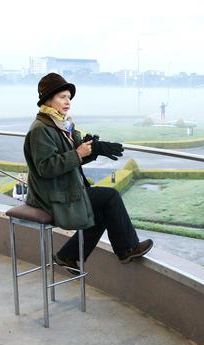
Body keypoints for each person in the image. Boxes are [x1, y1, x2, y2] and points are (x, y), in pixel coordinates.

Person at [24, 73, 153, 274]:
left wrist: (97, 148)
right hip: (49, 195)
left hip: (62, 188)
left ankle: (68, 256)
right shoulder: (41, 129)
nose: (67, 102)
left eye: (68, 97)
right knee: (110, 196)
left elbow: (74, 158)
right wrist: (77, 153)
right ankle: (127, 248)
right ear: (48, 99)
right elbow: (46, 167)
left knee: (101, 210)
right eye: (62, 97)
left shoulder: (62, 124)